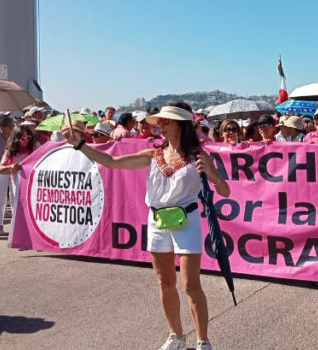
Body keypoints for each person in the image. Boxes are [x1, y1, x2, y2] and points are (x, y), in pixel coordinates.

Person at [62, 102, 228, 350]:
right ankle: (176, 336)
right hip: (158, 221)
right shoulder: (154, 154)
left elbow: (225, 191)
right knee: (164, 282)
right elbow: (111, 161)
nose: (159, 125)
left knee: (191, 284)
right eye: (159, 121)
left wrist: (214, 177)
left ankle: (203, 341)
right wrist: (80, 145)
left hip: (187, 221)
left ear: (180, 125)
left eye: (165, 121)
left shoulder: (198, 156)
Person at [0, 125, 39, 215]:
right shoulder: (10, 150)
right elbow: (0, 169)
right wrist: (11, 167)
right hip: (18, 184)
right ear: (16, 138)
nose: (26, 141)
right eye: (22, 138)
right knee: (20, 210)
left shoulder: (35, 146)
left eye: (28, 137)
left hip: (33, 183)